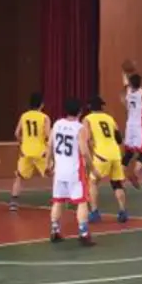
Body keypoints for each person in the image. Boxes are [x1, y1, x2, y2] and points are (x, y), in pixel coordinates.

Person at [47, 97, 95, 246]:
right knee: (82, 202)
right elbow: (84, 151)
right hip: (74, 171)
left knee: (58, 201)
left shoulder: (57, 124)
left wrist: (48, 163)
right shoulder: (79, 128)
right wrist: (93, 168)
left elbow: (50, 145)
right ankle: (84, 233)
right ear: (80, 112)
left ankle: (55, 230)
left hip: (59, 170)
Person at [83, 96, 130, 223]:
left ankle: (94, 212)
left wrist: (90, 152)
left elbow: (87, 139)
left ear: (89, 107)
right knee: (117, 183)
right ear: (102, 106)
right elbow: (119, 138)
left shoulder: (87, 119)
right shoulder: (110, 118)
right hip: (115, 154)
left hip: (101, 155)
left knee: (93, 182)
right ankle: (123, 211)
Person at [9, 92, 50, 212]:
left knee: (19, 176)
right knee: (54, 173)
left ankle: (13, 202)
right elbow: (48, 135)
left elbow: (17, 133)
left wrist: (22, 143)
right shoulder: (44, 117)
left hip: (26, 151)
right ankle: (60, 198)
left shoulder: (24, 116)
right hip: (40, 151)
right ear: (42, 104)